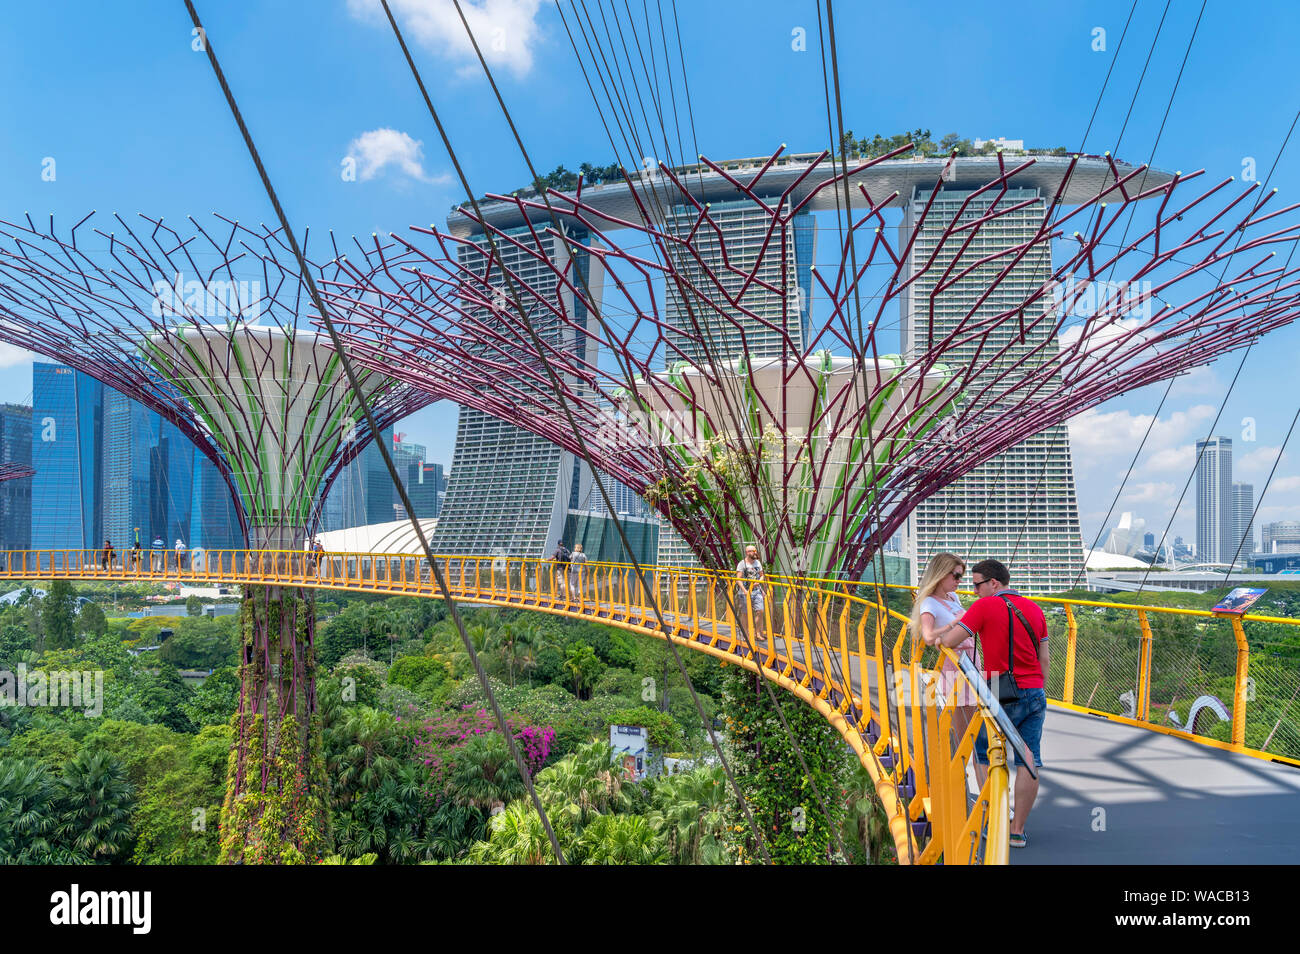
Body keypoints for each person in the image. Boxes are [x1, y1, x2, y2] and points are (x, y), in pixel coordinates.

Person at [928, 558, 1049, 850]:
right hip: (1034, 691)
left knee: (983, 753)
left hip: (999, 691)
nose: (974, 591)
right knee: (1028, 758)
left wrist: (937, 637)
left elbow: (951, 640)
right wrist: (1035, 687)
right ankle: (1017, 831)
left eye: (977, 584)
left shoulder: (984, 606)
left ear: (993, 583)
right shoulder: (1035, 609)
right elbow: (1044, 659)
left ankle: (993, 817)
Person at [909, 552, 976, 745]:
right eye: (955, 576)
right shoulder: (929, 602)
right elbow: (929, 637)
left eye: (960, 576)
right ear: (941, 574)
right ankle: (957, 768)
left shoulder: (953, 597)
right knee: (961, 724)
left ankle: (964, 765)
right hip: (955, 664)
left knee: (973, 720)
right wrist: (953, 624)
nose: (959, 581)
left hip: (970, 659)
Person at [735, 544, 766, 638]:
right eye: (751, 551)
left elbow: (762, 575)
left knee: (760, 611)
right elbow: (738, 579)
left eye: (754, 550)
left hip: (757, 591)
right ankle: (746, 633)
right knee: (745, 613)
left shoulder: (758, 563)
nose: (753, 552)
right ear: (747, 553)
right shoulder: (742, 564)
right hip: (745, 591)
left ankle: (758, 633)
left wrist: (759, 582)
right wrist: (744, 591)